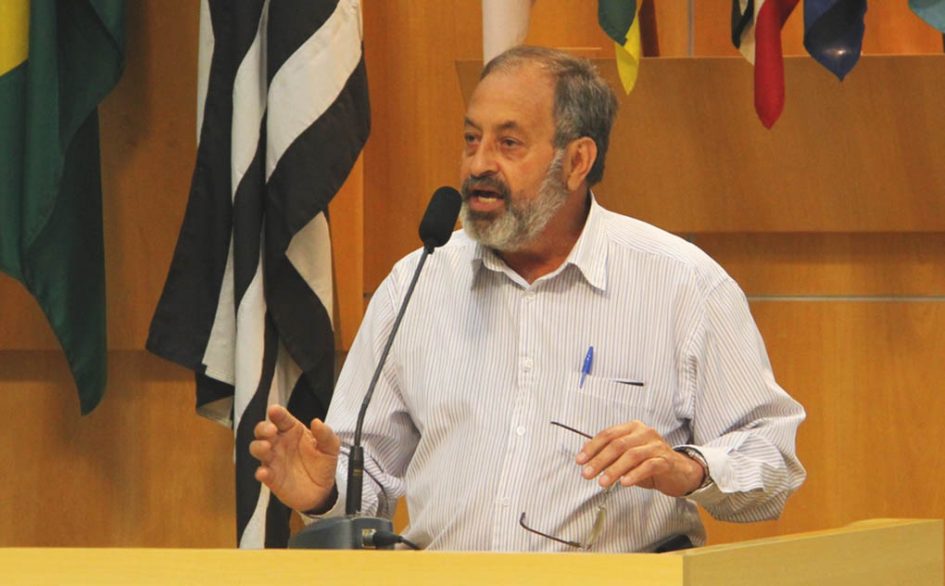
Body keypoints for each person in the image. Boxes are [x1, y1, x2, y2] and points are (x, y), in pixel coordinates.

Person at [250, 45, 806, 552]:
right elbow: (365, 481)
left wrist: (688, 469)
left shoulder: (683, 287)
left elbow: (773, 463)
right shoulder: (417, 283)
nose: (477, 165)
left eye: (508, 143)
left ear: (578, 161)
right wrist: (324, 492)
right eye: (472, 139)